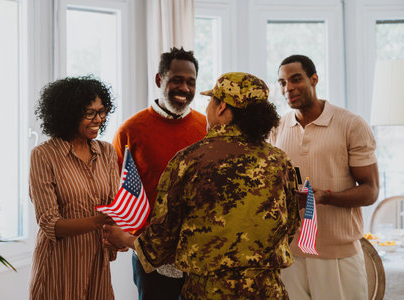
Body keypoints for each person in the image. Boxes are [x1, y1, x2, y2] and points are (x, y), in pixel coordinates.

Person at [105, 72, 301, 299]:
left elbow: (160, 242)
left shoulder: (189, 160)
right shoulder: (280, 161)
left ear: (221, 107)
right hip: (268, 291)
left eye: (210, 101)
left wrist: (124, 238)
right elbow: (290, 225)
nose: (207, 108)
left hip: (208, 292)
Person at [269, 54, 379, 300]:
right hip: (290, 254)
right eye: (283, 83)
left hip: (337, 255)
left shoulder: (350, 124)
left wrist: (325, 197)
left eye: (296, 79)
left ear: (314, 79)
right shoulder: (276, 128)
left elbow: (371, 190)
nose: (289, 88)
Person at [112, 47, 207, 299]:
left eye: (191, 82)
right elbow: (114, 188)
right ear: (159, 80)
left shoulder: (209, 127)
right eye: (177, 79)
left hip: (201, 252)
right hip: (150, 255)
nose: (185, 88)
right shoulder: (129, 131)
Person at [29, 76, 120, 300]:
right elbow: (50, 224)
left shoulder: (107, 152)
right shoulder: (43, 155)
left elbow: (115, 206)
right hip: (59, 268)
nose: (98, 119)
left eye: (102, 111)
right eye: (90, 113)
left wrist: (119, 235)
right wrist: (100, 221)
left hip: (97, 266)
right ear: (68, 114)